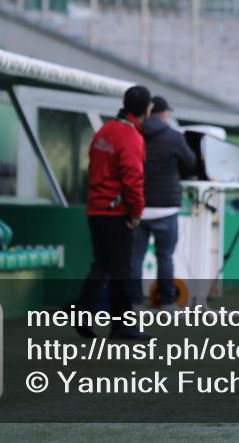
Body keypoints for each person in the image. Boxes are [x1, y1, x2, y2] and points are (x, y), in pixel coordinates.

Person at [76, 85, 152, 339]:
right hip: (115, 212)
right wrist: (135, 212)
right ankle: (121, 325)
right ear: (146, 109)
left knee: (102, 265)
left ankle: (82, 309)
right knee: (121, 268)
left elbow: (93, 165)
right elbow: (133, 179)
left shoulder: (104, 131)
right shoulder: (131, 136)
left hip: (95, 209)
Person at [131, 95, 196, 311]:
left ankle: (134, 303)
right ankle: (167, 303)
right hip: (166, 207)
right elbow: (191, 162)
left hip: (138, 208)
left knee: (135, 258)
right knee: (165, 257)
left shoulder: (134, 134)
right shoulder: (174, 137)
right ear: (164, 113)